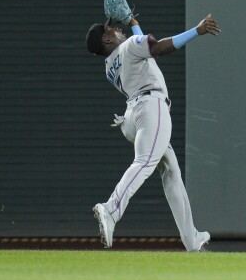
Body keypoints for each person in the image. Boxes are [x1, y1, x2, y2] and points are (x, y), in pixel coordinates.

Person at [86, 14, 221, 251]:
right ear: (107, 38)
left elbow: (141, 48)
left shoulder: (109, 66)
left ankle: (191, 239)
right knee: (145, 162)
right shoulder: (129, 46)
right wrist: (196, 31)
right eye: (113, 29)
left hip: (132, 117)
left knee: (171, 170)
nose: (118, 30)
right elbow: (157, 48)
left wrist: (133, 22)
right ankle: (110, 209)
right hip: (151, 108)